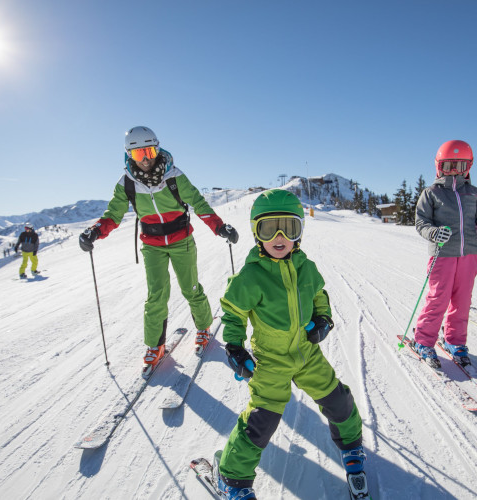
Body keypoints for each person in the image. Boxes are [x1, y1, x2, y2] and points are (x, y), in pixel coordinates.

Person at [216, 189, 366, 500]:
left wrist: (323, 320)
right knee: (261, 421)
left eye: (290, 227)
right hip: (270, 360)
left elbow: (319, 296)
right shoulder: (251, 276)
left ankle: (351, 447)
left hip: (307, 354)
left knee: (339, 402)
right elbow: (233, 312)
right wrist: (234, 346)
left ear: (300, 231)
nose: (280, 236)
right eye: (269, 228)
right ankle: (232, 477)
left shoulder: (306, 267)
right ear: (257, 233)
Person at [78, 126, 238, 376]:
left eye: (150, 151)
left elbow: (198, 202)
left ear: (158, 148)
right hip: (152, 245)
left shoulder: (174, 176)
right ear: (129, 156)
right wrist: (95, 231)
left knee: (191, 288)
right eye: (138, 154)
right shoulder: (127, 184)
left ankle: (204, 328)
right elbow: (113, 214)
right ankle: (155, 345)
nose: (146, 159)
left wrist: (219, 227)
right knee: (156, 295)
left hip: (181, 239)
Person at [411, 140, 477, 368]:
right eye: (449, 165)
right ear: (439, 166)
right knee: (438, 299)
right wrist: (434, 232)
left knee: (462, 301)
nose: (454, 171)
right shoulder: (431, 193)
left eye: (460, 165)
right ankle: (423, 340)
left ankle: (455, 341)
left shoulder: (474, 194)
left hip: (469, 255)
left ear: (468, 166)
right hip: (442, 255)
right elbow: (421, 222)